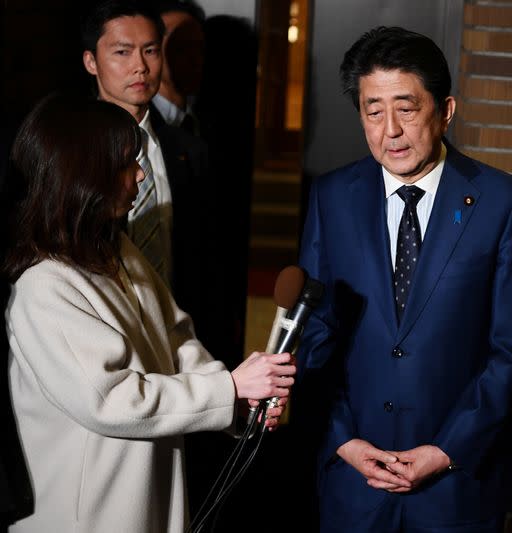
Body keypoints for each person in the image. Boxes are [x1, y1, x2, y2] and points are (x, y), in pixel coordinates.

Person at [2, 94, 296, 533]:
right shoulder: (44, 286)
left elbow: (175, 337)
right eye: (125, 164)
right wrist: (227, 388)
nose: (140, 174)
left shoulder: (115, 247)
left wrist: (237, 399)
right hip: (90, 515)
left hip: (147, 491)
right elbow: (111, 400)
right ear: (82, 175)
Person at [295, 26, 512, 532]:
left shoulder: (503, 202)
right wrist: (342, 439)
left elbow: (510, 350)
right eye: (372, 110)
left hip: (455, 486)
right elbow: (315, 333)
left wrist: (447, 450)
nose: (390, 131)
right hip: (354, 482)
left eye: (406, 109)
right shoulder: (332, 196)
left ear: (445, 111)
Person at [80, 0, 231, 363]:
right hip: (97, 342)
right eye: (122, 52)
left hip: (182, 346)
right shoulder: (69, 150)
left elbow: (209, 258)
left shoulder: (191, 150)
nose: (140, 67)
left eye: (150, 51)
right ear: (90, 61)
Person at [152, 0, 205, 133]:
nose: (193, 57)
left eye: (198, 46)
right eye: (180, 46)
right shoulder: (135, 123)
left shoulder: (208, 118)